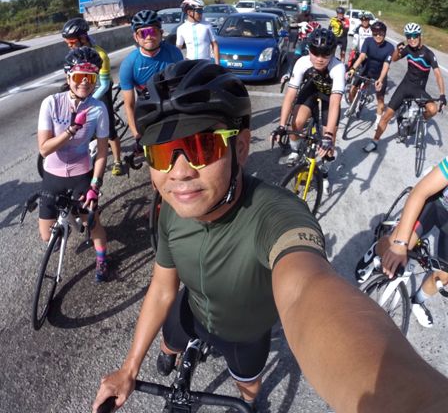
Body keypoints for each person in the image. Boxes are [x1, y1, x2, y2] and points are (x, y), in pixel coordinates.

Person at [92, 60, 448, 413]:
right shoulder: (172, 207)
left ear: (241, 148)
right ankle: (172, 355)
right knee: (169, 343)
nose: (179, 173)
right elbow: (162, 287)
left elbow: (306, 291)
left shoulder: (278, 215)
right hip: (191, 311)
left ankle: (249, 399)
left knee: (248, 388)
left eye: (203, 147)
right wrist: (129, 368)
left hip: (244, 336)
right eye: (161, 154)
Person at [38, 47, 110, 282]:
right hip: (53, 175)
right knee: (46, 235)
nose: (85, 83)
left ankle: (102, 259)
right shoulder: (51, 103)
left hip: (81, 174)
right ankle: (66, 226)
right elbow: (44, 149)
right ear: (68, 77)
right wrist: (72, 130)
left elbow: (102, 152)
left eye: (91, 77)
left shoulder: (98, 109)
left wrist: (95, 185)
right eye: (79, 76)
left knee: (92, 222)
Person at [355, 157, 448, 328]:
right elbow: (420, 192)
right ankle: (376, 249)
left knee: (445, 275)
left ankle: (418, 301)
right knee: (396, 245)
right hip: (437, 204)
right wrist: (400, 243)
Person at [273, 28, 345, 194]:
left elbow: (335, 102)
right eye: (315, 52)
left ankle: (325, 171)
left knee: (329, 138)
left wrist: (328, 136)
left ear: (332, 53)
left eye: (325, 54)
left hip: (329, 97)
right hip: (311, 90)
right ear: (309, 50)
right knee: (296, 124)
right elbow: (290, 95)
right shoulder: (303, 62)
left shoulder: (338, 67)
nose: (319, 59)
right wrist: (282, 126)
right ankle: (295, 150)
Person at [363, 23, 446, 153]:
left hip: (419, 90)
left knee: (433, 109)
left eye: (414, 36)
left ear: (420, 36)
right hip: (405, 87)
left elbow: (438, 75)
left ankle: (416, 122)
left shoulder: (428, 53)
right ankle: (374, 141)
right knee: (386, 116)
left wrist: (442, 95)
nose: (412, 39)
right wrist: (398, 50)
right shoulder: (408, 48)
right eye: (409, 36)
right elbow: (394, 59)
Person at [62, 18, 124, 176]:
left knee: (109, 129)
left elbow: (104, 85)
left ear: (83, 38)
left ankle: (118, 161)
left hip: (100, 89)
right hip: (84, 89)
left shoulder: (101, 55)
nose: (69, 45)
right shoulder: (74, 54)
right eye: (67, 42)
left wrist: (88, 100)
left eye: (72, 42)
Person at [119, 10, 183, 148]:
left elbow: (182, 85)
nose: (148, 37)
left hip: (174, 108)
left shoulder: (174, 53)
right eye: (143, 33)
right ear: (135, 37)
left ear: (161, 33)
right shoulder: (129, 64)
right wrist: (136, 135)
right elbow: (129, 105)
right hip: (149, 112)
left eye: (152, 31)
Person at [347, 21, 394, 132]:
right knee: (352, 90)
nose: (378, 36)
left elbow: (386, 65)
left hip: (380, 73)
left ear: (385, 34)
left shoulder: (390, 47)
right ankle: (354, 105)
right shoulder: (368, 41)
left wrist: (380, 80)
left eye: (380, 33)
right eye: (375, 33)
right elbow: (362, 56)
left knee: (380, 100)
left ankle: (378, 121)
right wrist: (353, 68)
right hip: (367, 70)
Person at [176, 0, 220, 64]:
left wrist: (217, 64)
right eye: (199, 11)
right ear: (189, 12)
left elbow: (215, 44)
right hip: (190, 64)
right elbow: (178, 49)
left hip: (206, 64)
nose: (201, 14)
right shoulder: (181, 29)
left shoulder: (207, 25)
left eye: (202, 11)